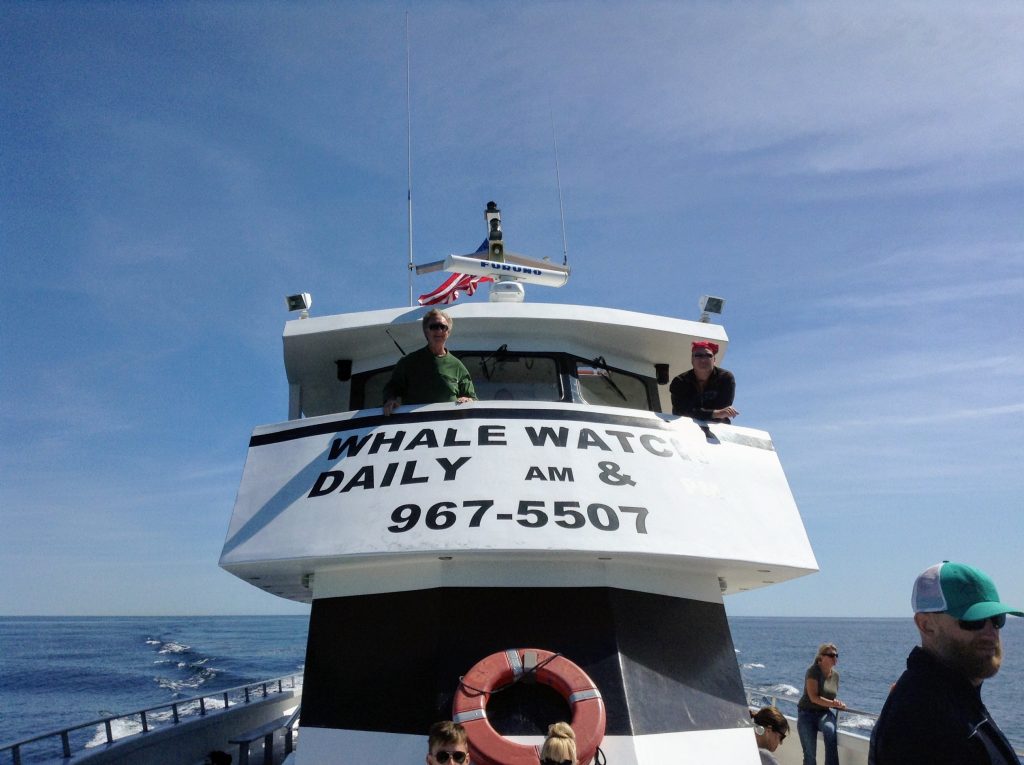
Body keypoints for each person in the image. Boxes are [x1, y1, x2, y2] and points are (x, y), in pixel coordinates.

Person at [868, 561, 1023, 765]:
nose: (991, 632)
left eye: (996, 619)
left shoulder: (954, 701)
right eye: (973, 620)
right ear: (926, 625)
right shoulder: (922, 720)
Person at [383, 308, 477, 416]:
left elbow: (471, 398)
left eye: (443, 327)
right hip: (414, 425)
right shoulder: (408, 362)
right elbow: (392, 387)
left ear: (448, 332)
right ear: (426, 331)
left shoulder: (457, 366)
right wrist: (390, 400)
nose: (439, 331)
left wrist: (468, 400)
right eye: (434, 327)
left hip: (449, 426)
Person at [796, 642, 846, 765]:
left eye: (836, 655)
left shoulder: (836, 676)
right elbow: (813, 698)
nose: (835, 658)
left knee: (830, 731)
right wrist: (835, 704)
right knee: (809, 754)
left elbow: (830, 697)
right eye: (831, 655)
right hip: (806, 713)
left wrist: (836, 703)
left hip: (824, 713)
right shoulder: (813, 671)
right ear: (821, 657)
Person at [669, 340, 738, 422]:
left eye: (708, 355)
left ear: (714, 360)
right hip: (687, 427)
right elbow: (681, 411)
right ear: (692, 360)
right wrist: (715, 413)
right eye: (698, 355)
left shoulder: (725, 378)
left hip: (717, 427)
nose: (703, 359)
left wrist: (717, 413)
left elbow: (723, 410)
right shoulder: (680, 381)